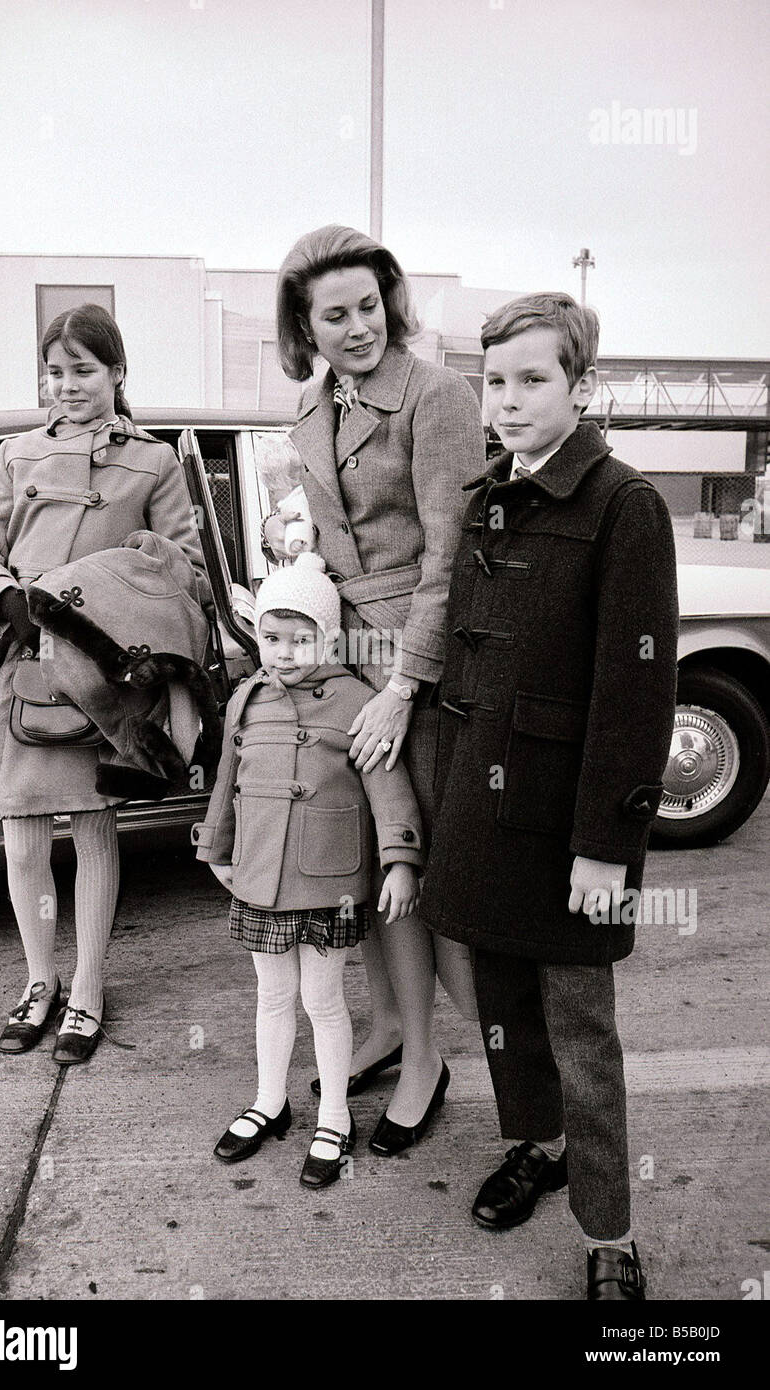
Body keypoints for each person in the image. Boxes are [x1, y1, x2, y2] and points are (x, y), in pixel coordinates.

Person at [419, 292, 679, 1299]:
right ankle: (534, 1142)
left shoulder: (623, 505)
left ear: (581, 386)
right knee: (502, 1013)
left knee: (579, 1031)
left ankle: (609, 1237)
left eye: (533, 379)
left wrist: (608, 844)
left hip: (571, 829)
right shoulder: (487, 497)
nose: (510, 400)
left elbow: (635, 689)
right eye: (495, 381)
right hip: (484, 817)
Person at [266, 225, 486, 1156]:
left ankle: (429, 1058)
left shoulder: (435, 394)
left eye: (367, 305)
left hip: (419, 662)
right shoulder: (312, 411)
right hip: (342, 654)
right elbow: (323, 547)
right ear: (304, 325)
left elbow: (454, 553)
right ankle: (390, 1029)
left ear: (388, 301)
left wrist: (404, 682)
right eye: (334, 314)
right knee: (368, 862)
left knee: (421, 862)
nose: (357, 327)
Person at [0, 304, 209, 1064]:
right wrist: (8, 600)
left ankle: (90, 988)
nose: (66, 386)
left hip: (105, 676)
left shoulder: (156, 462)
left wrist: (131, 566)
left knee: (97, 832)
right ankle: (40, 982)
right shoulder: (17, 454)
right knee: (26, 839)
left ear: (118, 373)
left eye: (83, 371)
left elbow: (187, 571)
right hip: (27, 662)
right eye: (55, 371)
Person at [193, 553, 425, 1188]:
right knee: (271, 996)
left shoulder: (359, 700)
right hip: (261, 876)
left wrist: (399, 862)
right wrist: (217, 848)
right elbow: (227, 782)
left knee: (323, 1001)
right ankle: (270, 1100)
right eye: (272, 638)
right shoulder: (246, 697)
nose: (285, 653)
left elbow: (387, 789)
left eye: (302, 640)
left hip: (328, 883)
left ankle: (333, 1115)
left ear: (329, 636)